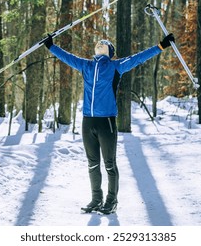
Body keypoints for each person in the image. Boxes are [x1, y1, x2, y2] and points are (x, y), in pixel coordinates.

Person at [44, 33, 174, 214]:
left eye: (105, 43)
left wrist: (160, 46)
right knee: (92, 164)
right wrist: (51, 46)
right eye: (99, 42)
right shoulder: (86, 65)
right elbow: (67, 57)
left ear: (110, 52)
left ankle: (111, 201)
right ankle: (96, 200)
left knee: (110, 164)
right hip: (88, 122)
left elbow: (138, 58)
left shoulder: (115, 66)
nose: (100, 43)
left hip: (107, 122)